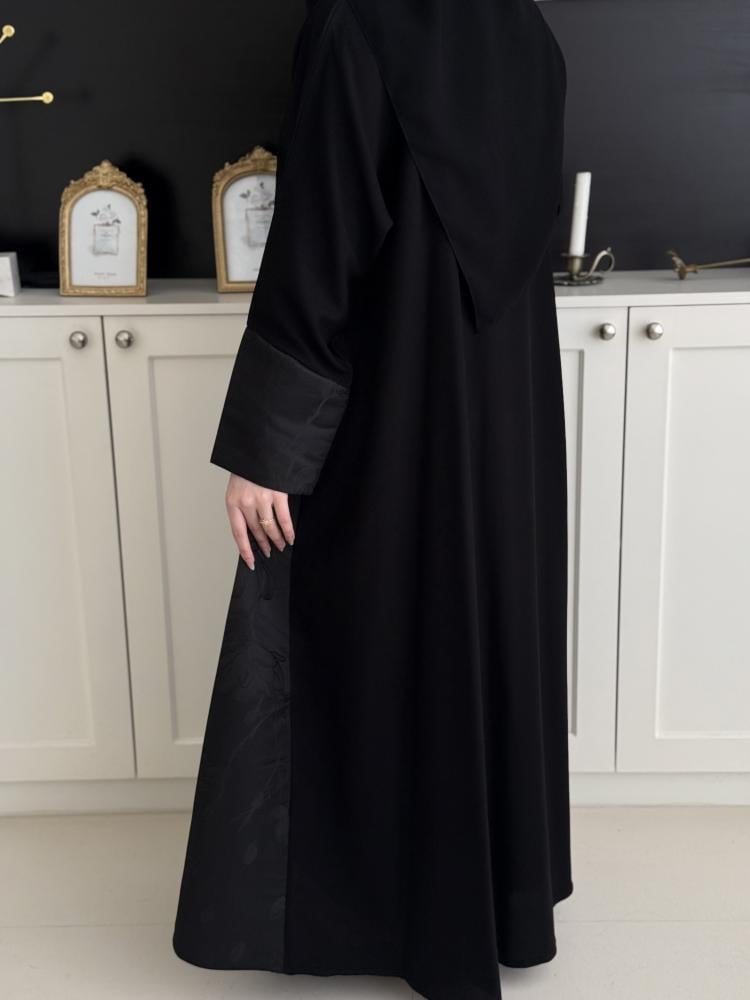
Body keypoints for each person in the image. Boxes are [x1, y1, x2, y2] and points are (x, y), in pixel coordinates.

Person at [172, 1, 572, 998]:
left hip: (394, 393)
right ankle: (491, 905)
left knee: (370, 621)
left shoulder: (360, 22)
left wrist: (268, 450)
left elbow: (322, 229)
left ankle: (382, 913)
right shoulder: (523, 27)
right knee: (473, 624)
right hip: (505, 400)